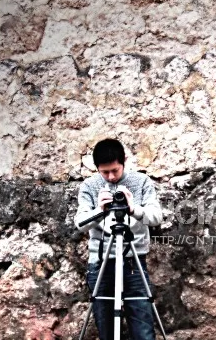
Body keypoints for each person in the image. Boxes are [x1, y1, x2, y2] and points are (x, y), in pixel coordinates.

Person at [75, 138, 163, 340]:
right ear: (96, 168)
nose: (111, 177)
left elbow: (156, 217)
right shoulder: (89, 186)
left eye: (115, 170)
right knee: (106, 329)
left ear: (124, 160)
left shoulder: (141, 181)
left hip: (133, 261)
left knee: (143, 329)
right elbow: (80, 223)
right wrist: (99, 210)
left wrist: (134, 209)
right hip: (101, 263)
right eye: (104, 172)